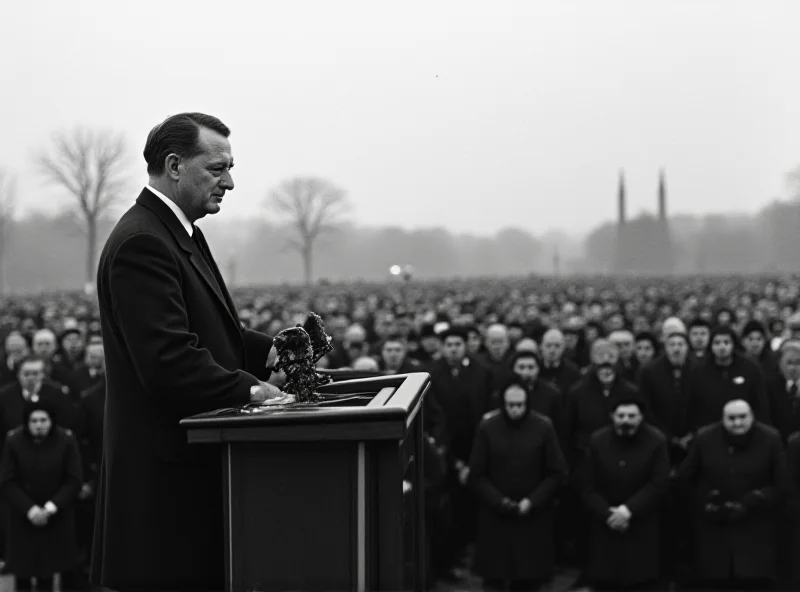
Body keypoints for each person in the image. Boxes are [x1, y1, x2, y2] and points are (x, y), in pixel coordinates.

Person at [91, 113, 284, 591]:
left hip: (188, 480)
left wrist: (275, 351)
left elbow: (212, 332)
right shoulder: (144, 241)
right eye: (217, 169)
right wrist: (257, 392)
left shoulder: (178, 232)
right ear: (174, 165)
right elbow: (169, 363)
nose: (231, 182)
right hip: (165, 494)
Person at [468, 379, 568, 591]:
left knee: (529, 580)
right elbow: (476, 474)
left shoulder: (543, 426)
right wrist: (499, 501)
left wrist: (532, 501)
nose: (515, 410)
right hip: (496, 516)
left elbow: (557, 473)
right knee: (495, 579)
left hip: (532, 516)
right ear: (503, 403)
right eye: (511, 405)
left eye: (520, 405)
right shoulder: (488, 427)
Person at [678, 399, 789, 590]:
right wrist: (705, 499)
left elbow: (782, 484)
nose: (737, 423)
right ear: (722, 419)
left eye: (742, 417)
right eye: (731, 418)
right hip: (714, 531)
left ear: (752, 417)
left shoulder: (771, 438)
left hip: (755, 530)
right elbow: (686, 478)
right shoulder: (705, 438)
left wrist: (754, 499)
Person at [581, 397, 670, 591]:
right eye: (621, 415)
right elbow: (587, 485)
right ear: (612, 416)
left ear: (641, 417)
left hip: (641, 521)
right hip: (605, 522)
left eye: (632, 415)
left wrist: (628, 511)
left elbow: (659, 483)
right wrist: (608, 513)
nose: (626, 420)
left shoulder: (656, 440)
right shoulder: (598, 440)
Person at [0, 399, 83, 591]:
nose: (39, 425)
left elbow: (74, 480)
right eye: (34, 420)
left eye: (43, 420)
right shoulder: (14, 440)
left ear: (51, 421)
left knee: (48, 572)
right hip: (23, 515)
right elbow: (7, 480)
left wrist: (50, 508)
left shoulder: (66, 440)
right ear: (26, 422)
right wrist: (30, 509)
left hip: (54, 515)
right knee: (23, 575)